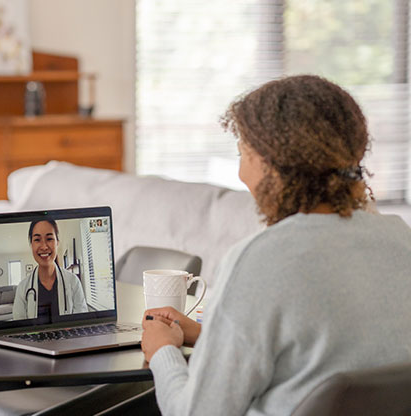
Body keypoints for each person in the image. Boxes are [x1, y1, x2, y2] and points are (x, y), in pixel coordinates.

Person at [141, 75, 411, 415]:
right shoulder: (401, 240)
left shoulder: (260, 259)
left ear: (270, 165)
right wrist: (210, 335)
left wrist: (163, 350)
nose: (241, 173)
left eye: (243, 153)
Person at [13, 219, 88, 321]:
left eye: (49, 239)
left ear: (57, 243)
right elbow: (20, 330)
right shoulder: (22, 288)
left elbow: (81, 323)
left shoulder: (73, 282)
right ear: (31, 244)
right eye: (37, 240)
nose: (44, 247)